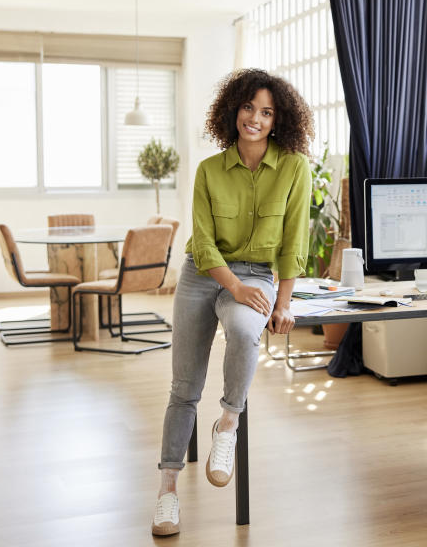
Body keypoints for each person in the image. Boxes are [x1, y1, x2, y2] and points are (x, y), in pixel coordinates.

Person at [151, 69, 313, 536]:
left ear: (279, 119)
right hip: (204, 276)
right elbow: (202, 244)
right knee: (184, 388)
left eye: (266, 112)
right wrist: (234, 287)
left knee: (245, 333)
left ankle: (228, 422)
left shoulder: (294, 167)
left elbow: (293, 241)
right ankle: (167, 492)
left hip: (258, 275)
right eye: (248, 108)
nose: (255, 119)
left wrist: (283, 302)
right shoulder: (208, 170)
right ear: (232, 110)